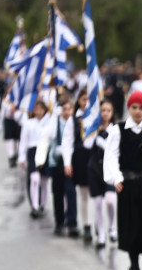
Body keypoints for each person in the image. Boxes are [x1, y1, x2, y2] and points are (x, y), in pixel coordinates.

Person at [103, 90, 142, 270]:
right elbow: (110, 156)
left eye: (141, 108)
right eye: (134, 107)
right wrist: (116, 177)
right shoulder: (118, 129)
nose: (137, 111)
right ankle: (134, 265)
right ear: (129, 108)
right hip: (128, 183)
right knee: (131, 224)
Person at [84, 99, 118, 249]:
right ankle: (101, 235)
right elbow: (86, 145)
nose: (105, 113)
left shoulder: (115, 130)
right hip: (94, 170)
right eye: (103, 110)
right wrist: (93, 132)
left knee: (110, 200)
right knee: (97, 203)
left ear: (112, 113)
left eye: (108, 111)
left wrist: (104, 144)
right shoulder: (94, 129)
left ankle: (112, 227)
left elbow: (116, 150)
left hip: (109, 170)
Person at [46, 95, 78, 237]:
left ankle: (72, 222)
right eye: (64, 109)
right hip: (56, 162)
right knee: (57, 192)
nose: (67, 112)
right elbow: (50, 134)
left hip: (70, 162)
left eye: (69, 109)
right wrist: (54, 116)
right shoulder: (55, 122)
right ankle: (59, 221)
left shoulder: (75, 122)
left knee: (70, 191)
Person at [63, 90, 94, 243]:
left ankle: (104, 227)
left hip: (96, 157)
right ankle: (86, 223)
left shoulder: (97, 117)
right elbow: (67, 142)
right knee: (84, 193)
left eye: (89, 99)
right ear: (79, 101)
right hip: (80, 157)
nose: (86, 102)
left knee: (101, 196)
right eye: (83, 99)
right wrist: (67, 162)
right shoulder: (74, 119)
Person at [18, 100, 50, 218]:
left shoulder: (48, 121)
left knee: (44, 180)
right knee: (34, 178)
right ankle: (34, 206)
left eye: (41, 109)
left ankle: (43, 204)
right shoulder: (29, 123)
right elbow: (23, 141)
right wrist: (22, 157)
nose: (39, 111)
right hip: (32, 151)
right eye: (36, 109)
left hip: (44, 150)